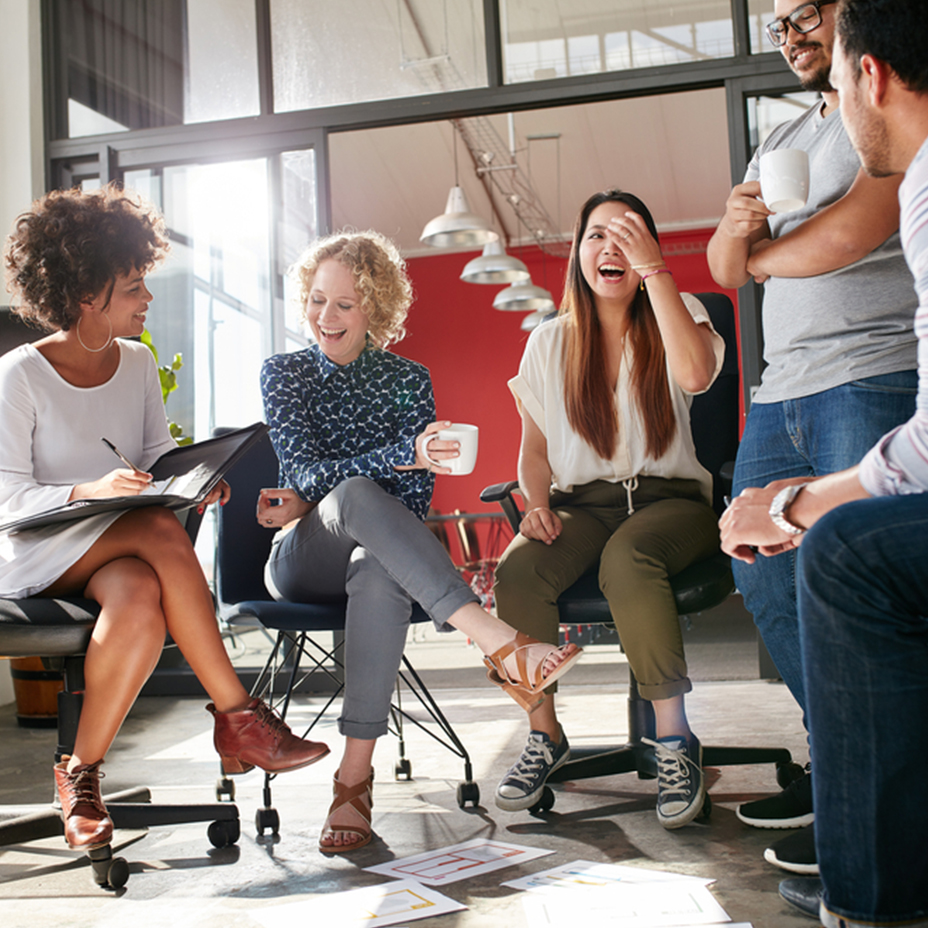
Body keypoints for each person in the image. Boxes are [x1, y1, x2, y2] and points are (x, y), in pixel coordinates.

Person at [0, 184, 330, 855]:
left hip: (113, 552)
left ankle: (80, 777)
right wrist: (90, 490)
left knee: (141, 599)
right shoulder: (19, 376)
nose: (147, 297)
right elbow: (6, 499)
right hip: (32, 551)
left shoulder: (139, 362)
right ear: (85, 294)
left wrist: (193, 485)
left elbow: (153, 460)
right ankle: (238, 716)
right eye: (133, 287)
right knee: (155, 533)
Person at [257, 229, 583, 854]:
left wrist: (364, 478)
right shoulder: (284, 373)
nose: (326, 317)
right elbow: (305, 475)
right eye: (317, 300)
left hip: (373, 557)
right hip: (301, 557)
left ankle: (353, 781)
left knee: (378, 569)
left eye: (345, 304)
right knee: (354, 493)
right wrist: (398, 456)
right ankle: (496, 639)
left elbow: (410, 507)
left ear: (374, 309)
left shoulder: (409, 379)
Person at [723, 2, 928, 921]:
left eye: (804, 17)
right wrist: (746, 242)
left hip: (869, 374)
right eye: (775, 24)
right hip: (782, 390)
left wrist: (762, 257)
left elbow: (848, 232)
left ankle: (876, 862)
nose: (790, 37)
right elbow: (724, 262)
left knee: (848, 564)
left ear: (864, 61)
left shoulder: (905, 161)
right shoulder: (782, 138)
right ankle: (857, 794)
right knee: (770, 574)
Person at [490, 190, 725, 830]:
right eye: (596, 235)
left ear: (647, 247)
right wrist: (537, 505)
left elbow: (697, 376)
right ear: (578, 253)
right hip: (582, 506)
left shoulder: (682, 312)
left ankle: (675, 740)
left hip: (670, 502)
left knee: (629, 558)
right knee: (517, 571)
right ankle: (544, 735)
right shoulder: (547, 343)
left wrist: (657, 275)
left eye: (627, 235)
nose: (609, 247)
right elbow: (534, 449)